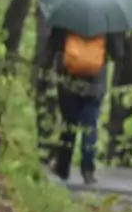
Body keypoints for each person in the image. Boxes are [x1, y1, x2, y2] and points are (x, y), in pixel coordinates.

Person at [41, 26, 124, 184]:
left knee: (68, 125)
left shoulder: (67, 17)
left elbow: (53, 46)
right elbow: (118, 53)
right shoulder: (106, 21)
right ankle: (88, 170)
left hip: (68, 81)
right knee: (90, 126)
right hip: (95, 84)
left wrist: (47, 71)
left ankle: (63, 168)